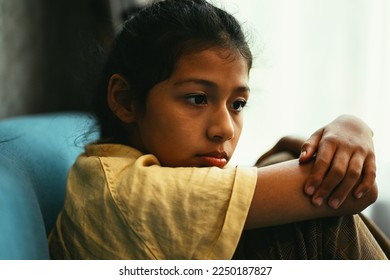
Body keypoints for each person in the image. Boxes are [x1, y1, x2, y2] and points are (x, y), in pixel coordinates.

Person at [48, 0, 387, 259]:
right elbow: (356, 190)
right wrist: (354, 128)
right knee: (322, 220)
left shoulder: (106, 171)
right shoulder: (130, 191)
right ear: (125, 100)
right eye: (197, 98)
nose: (225, 129)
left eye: (237, 104)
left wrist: (341, 132)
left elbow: (284, 158)